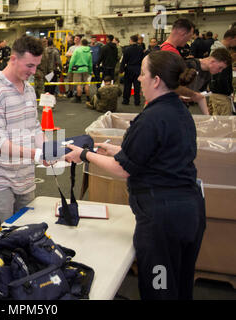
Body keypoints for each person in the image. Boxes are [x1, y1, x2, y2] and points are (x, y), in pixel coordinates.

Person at [64, 50, 206, 300]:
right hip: (189, 210)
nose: (138, 79)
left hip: (163, 220)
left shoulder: (152, 118)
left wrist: (85, 155)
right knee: (180, 283)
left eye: (142, 74)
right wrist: (118, 149)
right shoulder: (179, 111)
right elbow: (158, 155)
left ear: (156, 80)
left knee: (159, 288)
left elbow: (124, 169)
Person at [0, 35, 46, 222]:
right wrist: (36, 155)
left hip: (25, 178)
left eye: (37, 65)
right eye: (30, 65)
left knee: (26, 232)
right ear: (13, 59)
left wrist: (47, 148)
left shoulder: (29, 88)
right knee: (2, 237)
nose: (34, 71)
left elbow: (35, 126)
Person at [208, 28, 236, 115]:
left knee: (217, 121)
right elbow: (221, 76)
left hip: (216, 92)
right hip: (221, 94)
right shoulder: (221, 52)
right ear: (233, 38)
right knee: (224, 123)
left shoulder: (217, 49)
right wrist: (229, 91)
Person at [121, 35, 144, 106]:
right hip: (137, 69)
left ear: (131, 40)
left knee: (127, 85)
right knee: (137, 86)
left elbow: (124, 61)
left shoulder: (127, 49)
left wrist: (121, 69)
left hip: (129, 69)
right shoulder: (140, 49)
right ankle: (137, 101)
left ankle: (126, 100)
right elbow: (142, 59)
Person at [68, 38, 92, 103]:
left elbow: (72, 61)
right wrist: (90, 71)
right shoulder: (89, 51)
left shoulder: (77, 50)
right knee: (86, 83)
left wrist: (70, 69)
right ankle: (88, 97)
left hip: (78, 69)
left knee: (79, 84)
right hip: (86, 69)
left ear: (81, 43)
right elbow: (90, 63)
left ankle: (78, 98)